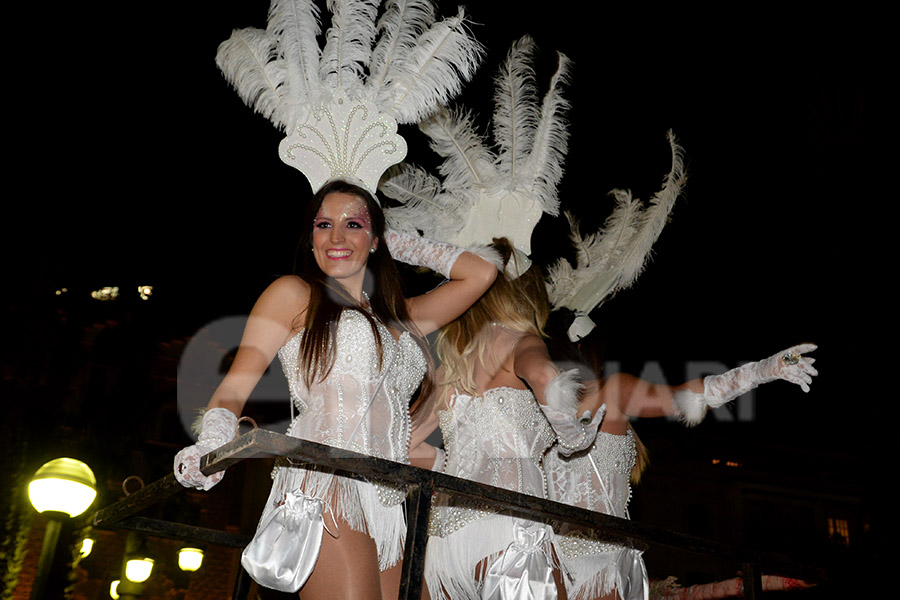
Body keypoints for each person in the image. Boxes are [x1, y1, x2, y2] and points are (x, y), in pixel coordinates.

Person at [173, 178, 497, 600]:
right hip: (324, 486)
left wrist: (387, 237)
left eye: (353, 225)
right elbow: (233, 389)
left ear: (377, 239)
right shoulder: (293, 294)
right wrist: (212, 446)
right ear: (310, 237)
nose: (336, 237)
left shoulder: (402, 318)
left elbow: (480, 273)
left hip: (388, 503)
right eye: (324, 225)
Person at [544, 333, 818, 600]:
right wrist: (762, 370)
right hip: (596, 563)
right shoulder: (611, 391)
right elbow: (689, 397)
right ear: (583, 348)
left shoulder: (541, 412)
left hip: (548, 564)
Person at [411, 238, 600, 600]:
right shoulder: (520, 340)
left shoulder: (451, 362)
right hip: (510, 522)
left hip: (446, 537)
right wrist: (571, 433)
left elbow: (407, 445)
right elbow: (544, 376)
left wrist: (452, 462)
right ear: (527, 295)